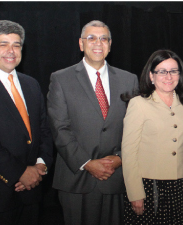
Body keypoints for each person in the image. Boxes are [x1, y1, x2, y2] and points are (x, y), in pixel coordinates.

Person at [47, 20, 138, 225]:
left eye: (103, 38)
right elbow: (59, 128)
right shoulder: (61, 79)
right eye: (91, 38)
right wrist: (87, 163)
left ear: (110, 44)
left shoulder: (129, 80)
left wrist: (120, 158)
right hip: (76, 179)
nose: (98, 43)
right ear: (81, 44)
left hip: (116, 178)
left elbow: (136, 128)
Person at [0, 20, 53, 225]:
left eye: (16, 45)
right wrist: (19, 173)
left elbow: (44, 130)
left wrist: (40, 167)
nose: (11, 50)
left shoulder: (31, 84)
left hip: (32, 194)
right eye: (3, 44)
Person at [121, 49, 183, 224]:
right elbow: (129, 152)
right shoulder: (138, 104)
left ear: (180, 75)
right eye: (162, 71)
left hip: (181, 186)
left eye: (173, 71)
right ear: (151, 76)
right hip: (149, 186)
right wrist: (135, 193)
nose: (168, 76)